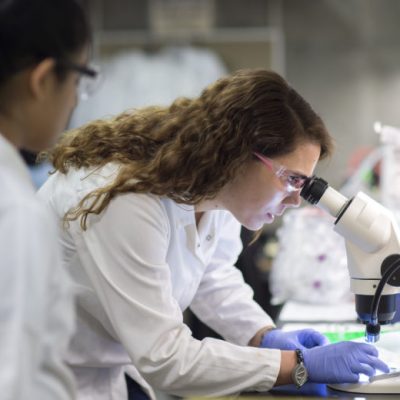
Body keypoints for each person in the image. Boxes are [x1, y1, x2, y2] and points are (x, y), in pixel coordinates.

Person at [38, 69, 389, 400]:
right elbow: (166, 357)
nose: (297, 199)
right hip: (47, 379)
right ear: (237, 157)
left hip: (107, 371)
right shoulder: (126, 199)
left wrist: (263, 336)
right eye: (291, 179)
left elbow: (211, 274)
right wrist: (294, 366)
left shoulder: (213, 190)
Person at [0, 0, 96, 399]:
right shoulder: (15, 209)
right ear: (41, 79)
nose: (75, 101)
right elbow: (13, 380)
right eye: (78, 80)